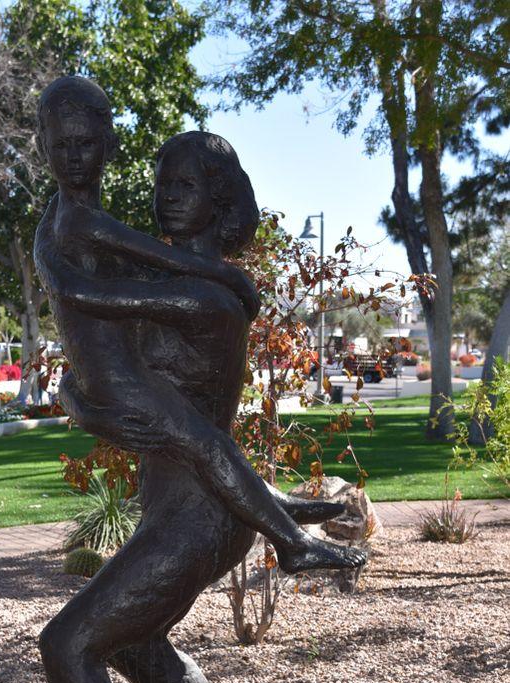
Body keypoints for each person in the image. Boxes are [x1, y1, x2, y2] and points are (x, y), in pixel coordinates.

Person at [10, 117, 361, 683]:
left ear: (220, 200)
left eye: (189, 186)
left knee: (69, 645)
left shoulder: (203, 301)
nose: (170, 197)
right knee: (133, 638)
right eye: (165, 183)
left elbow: (86, 301)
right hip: (196, 505)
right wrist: (79, 399)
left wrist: (66, 270)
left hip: (196, 516)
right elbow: (119, 387)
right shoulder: (175, 281)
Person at [33, 76, 366, 575]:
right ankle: (292, 541)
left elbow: (128, 272)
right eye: (62, 145)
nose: (75, 156)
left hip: (112, 382)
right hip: (118, 384)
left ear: (108, 146)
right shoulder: (78, 222)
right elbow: (91, 288)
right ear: (42, 146)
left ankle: (270, 504)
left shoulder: (62, 219)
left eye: (84, 144)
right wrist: (227, 273)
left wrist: (73, 391)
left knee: (205, 441)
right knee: (207, 442)